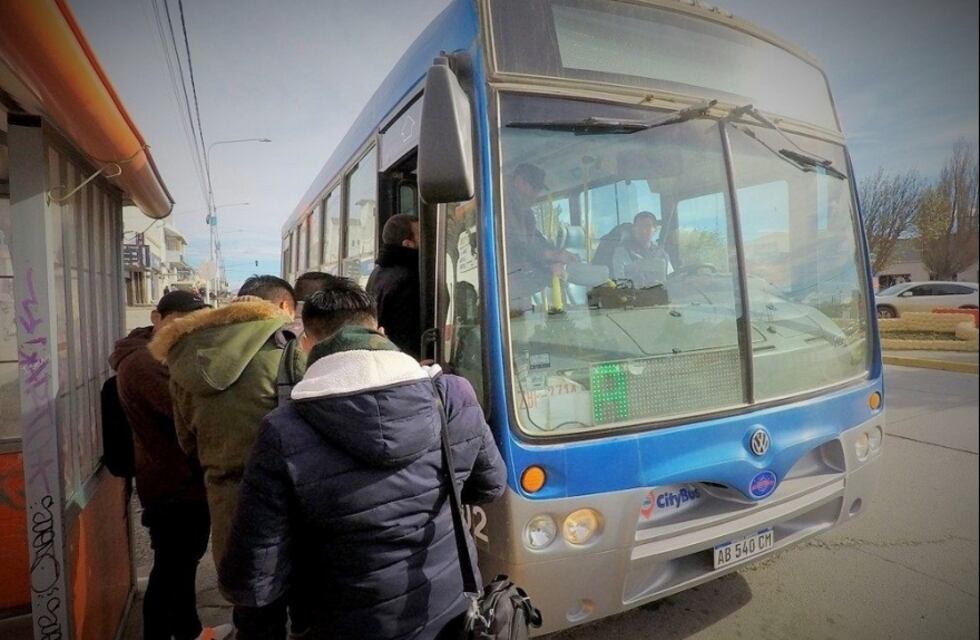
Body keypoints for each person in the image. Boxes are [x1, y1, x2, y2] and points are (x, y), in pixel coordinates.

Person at [219, 278, 507, 640]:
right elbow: (491, 485)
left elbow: (256, 578)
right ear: (381, 332)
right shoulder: (452, 394)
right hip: (448, 612)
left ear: (306, 345)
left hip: (338, 622)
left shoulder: (283, 430)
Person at [149, 275, 306, 637]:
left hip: (227, 501)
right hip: (288, 499)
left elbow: (186, 440)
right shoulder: (289, 347)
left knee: (252, 611)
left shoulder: (185, 354)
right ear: (283, 306)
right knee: (300, 608)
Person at [109, 291, 231, 640]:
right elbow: (193, 413)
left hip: (179, 480)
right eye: (181, 322)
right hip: (174, 485)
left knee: (180, 568)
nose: (189, 331)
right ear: (156, 318)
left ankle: (190, 631)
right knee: (170, 571)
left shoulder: (160, 355)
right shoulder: (145, 364)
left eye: (198, 324)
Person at [504, 163, 578, 305]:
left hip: (517, 291)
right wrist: (550, 260)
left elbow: (534, 240)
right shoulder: (499, 204)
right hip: (503, 289)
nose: (536, 194)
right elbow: (514, 243)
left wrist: (556, 254)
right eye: (535, 188)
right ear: (520, 182)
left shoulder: (525, 213)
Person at [366, 213, 422, 359]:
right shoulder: (411, 277)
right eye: (421, 234)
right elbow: (406, 334)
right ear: (408, 244)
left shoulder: (377, 273)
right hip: (405, 362)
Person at [610, 211, 673, 282]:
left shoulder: (662, 255)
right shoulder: (622, 252)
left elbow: (671, 279)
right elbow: (620, 282)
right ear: (634, 229)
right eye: (639, 226)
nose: (643, 231)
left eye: (648, 226)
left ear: (655, 229)